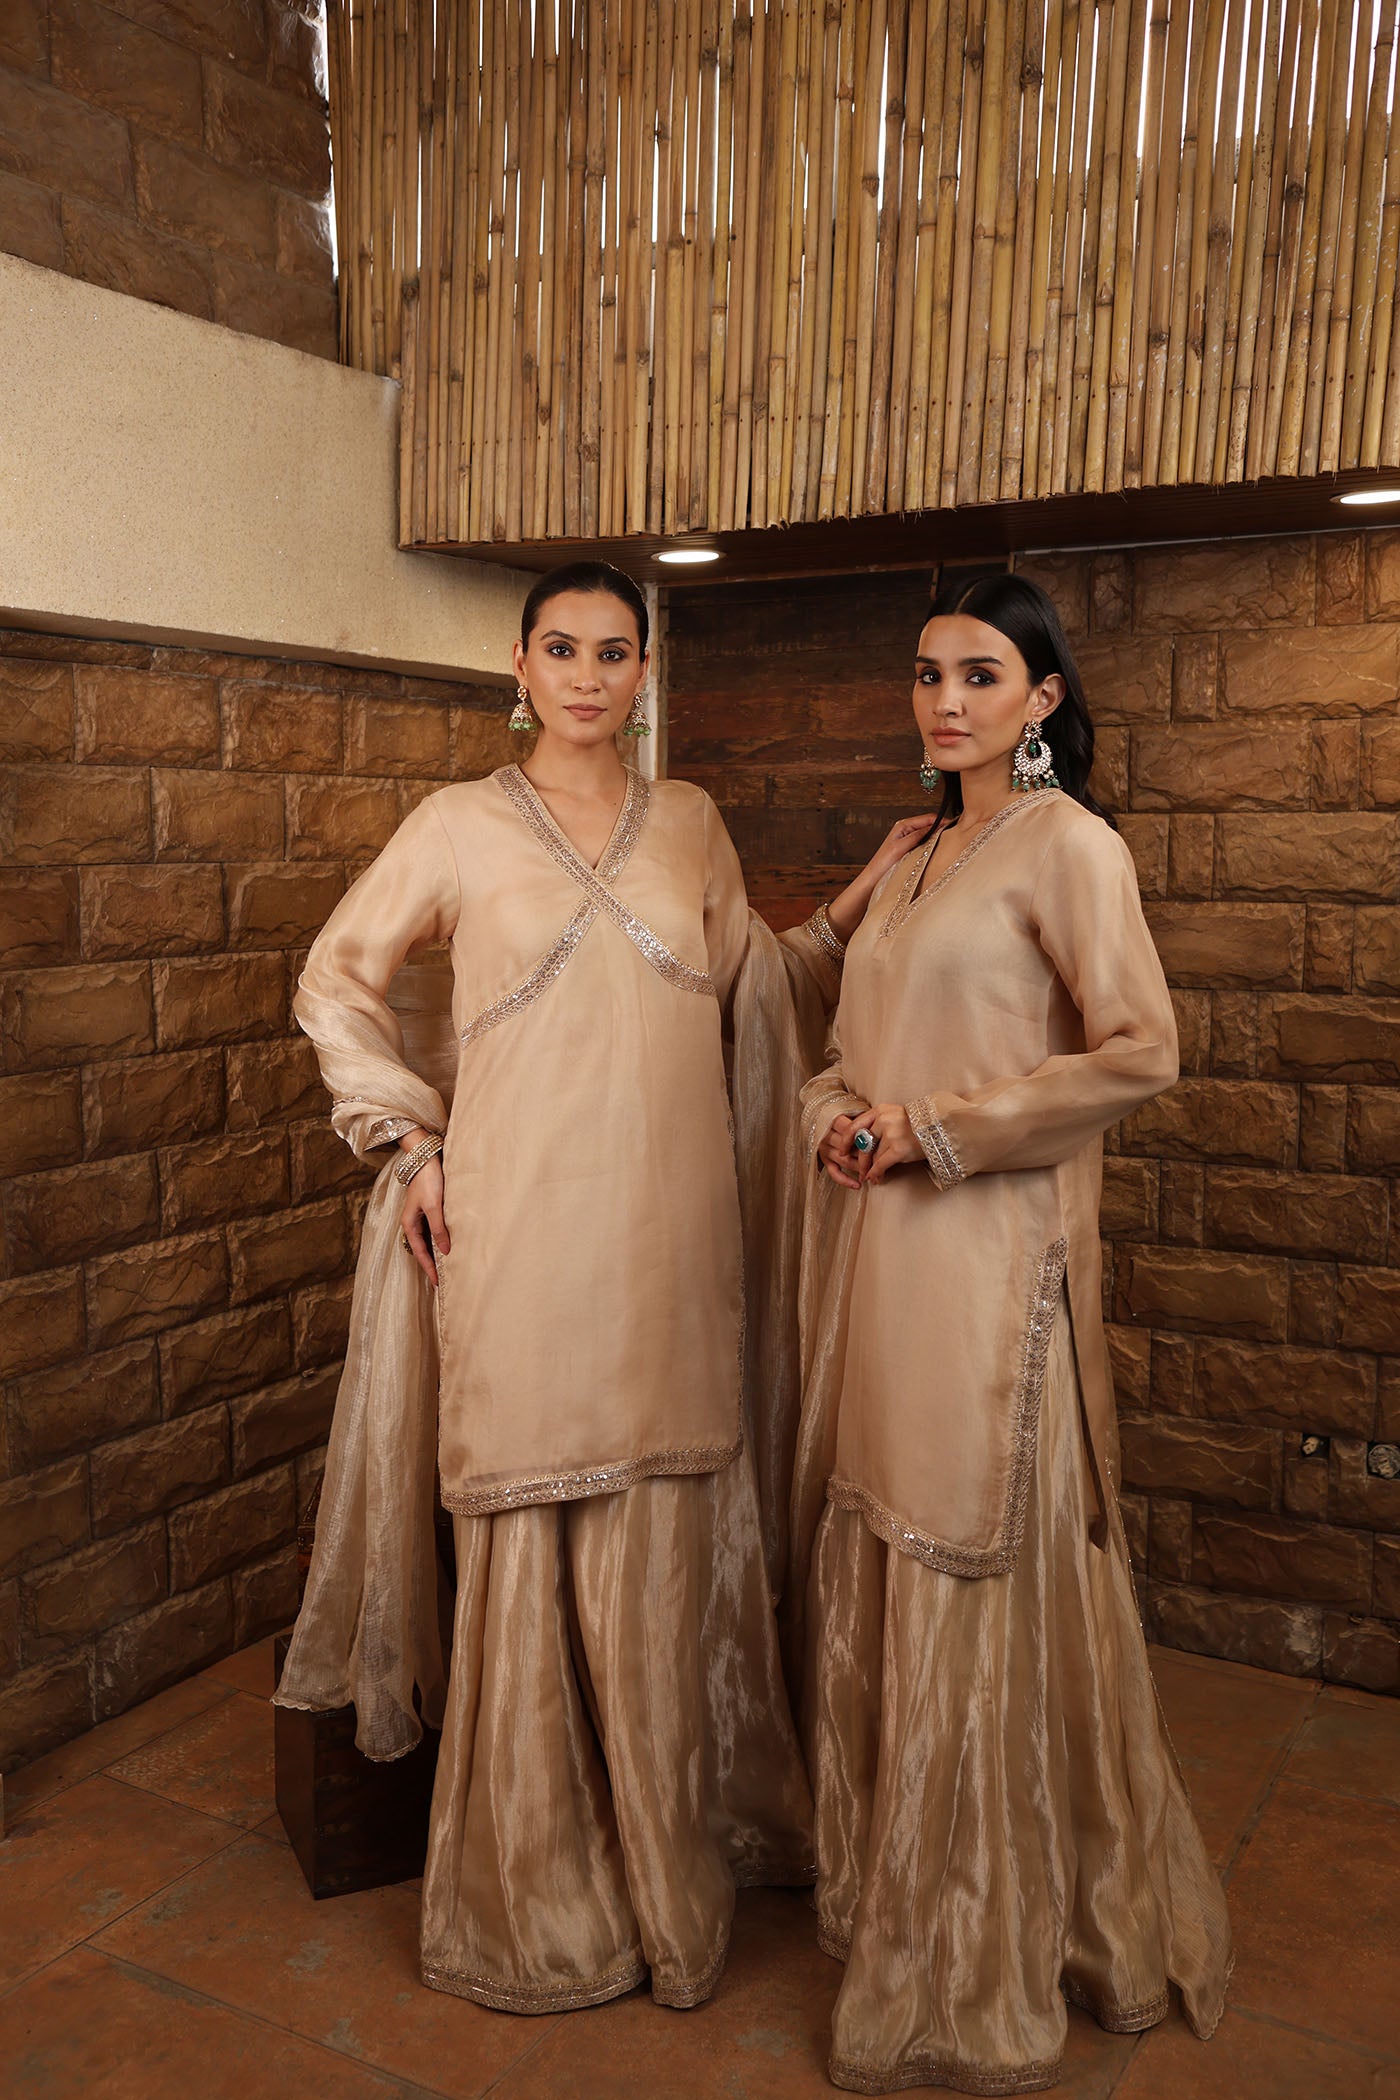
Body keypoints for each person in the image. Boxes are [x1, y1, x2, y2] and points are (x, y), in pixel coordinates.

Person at [275, 560, 934, 2015]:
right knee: (527, 1505)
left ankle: (670, 1858)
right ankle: (541, 1892)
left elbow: (755, 993)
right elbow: (336, 978)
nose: (588, 675)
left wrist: (854, 907)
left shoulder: (688, 819)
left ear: (643, 673)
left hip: (672, 1237)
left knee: (664, 1517)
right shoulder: (454, 824)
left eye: (615, 651)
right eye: (562, 649)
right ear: (518, 667)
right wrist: (409, 1140)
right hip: (517, 1228)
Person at [791, 572, 1231, 2095]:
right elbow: (846, 1049)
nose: (946, 701)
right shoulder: (917, 855)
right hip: (882, 1253)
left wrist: (939, 1131)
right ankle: (900, 1888)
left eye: (980, 675)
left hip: (994, 1263)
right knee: (889, 1531)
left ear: (1042, 697)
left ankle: (995, 1923)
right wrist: (842, 1119)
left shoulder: (1070, 846)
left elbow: (1143, 1050)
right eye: (928, 674)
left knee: (976, 1538)